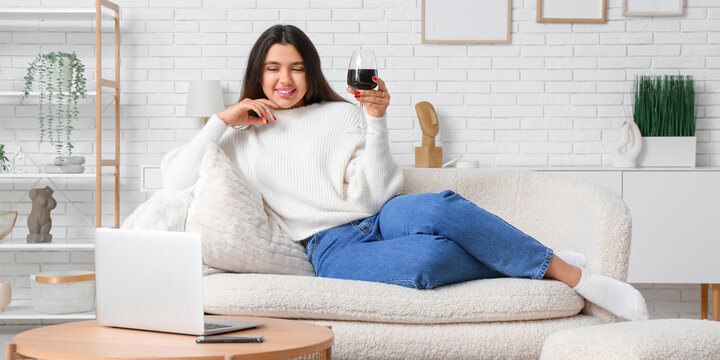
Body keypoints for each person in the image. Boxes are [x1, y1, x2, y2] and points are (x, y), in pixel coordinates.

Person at [163, 24, 648, 321]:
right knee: (425, 265)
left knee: (441, 207)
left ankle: (571, 274)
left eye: (295, 68)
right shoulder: (239, 133)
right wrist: (219, 121)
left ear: (311, 72)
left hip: (376, 217)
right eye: (272, 69)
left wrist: (376, 120)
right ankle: (535, 258)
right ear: (258, 73)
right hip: (328, 248)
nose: (284, 80)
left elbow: (375, 197)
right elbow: (176, 180)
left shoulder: (341, 114)